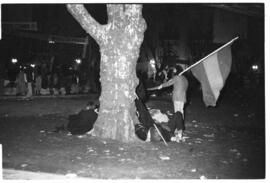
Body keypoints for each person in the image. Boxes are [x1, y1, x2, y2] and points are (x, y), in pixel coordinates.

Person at [147, 65, 188, 140]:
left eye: (174, 71)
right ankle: (180, 130)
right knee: (181, 113)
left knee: (177, 113)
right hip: (183, 97)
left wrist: (161, 86)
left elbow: (169, 83)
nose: (173, 72)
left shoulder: (177, 77)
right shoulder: (185, 79)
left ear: (176, 71)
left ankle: (178, 130)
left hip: (177, 97)